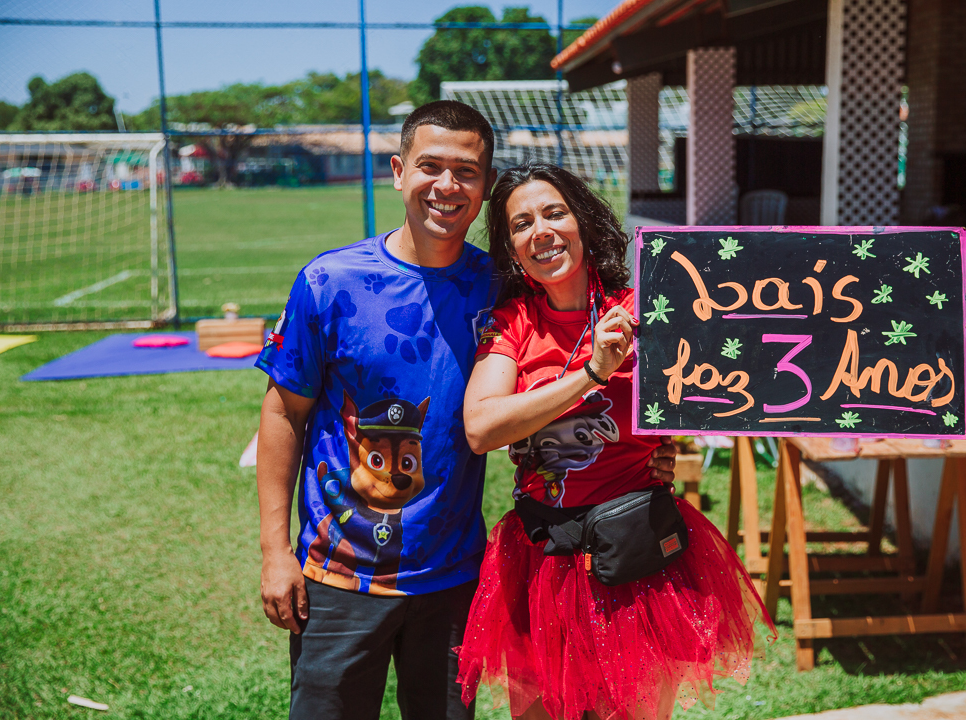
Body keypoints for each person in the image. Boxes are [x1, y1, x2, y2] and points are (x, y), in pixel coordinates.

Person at [254, 102, 678, 720]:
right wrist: (274, 553)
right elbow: (283, 414)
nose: (447, 185)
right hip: (341, 576)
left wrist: (654, 449)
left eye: (467, 171)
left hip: (455, 579)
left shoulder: (503, 284)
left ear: (485, 186)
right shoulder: (329, 282)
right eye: (430, 166)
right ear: (398, 171)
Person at [456, 163, 775, 720]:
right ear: (511, 249)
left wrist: (670, 442)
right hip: (544, 557)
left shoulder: (646, 310)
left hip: (637, 556)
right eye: (522, 224)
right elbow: (481, 428)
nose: (541, 232)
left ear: (583, 221)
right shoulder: (511, 323)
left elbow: (746, 368)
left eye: (555, 213)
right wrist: (591, 374)